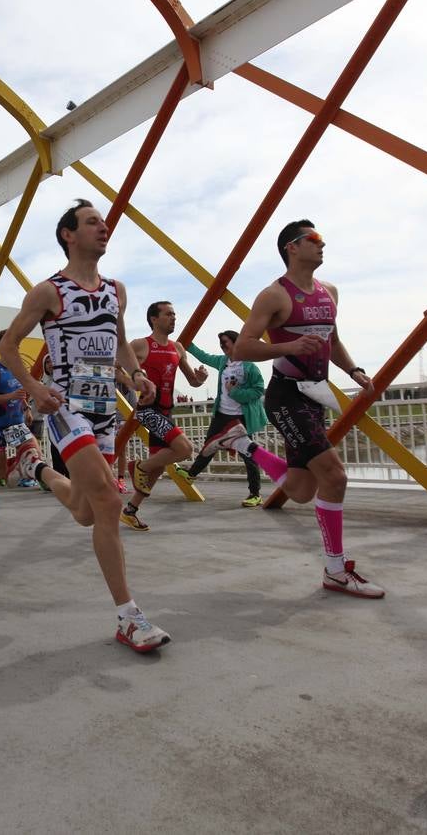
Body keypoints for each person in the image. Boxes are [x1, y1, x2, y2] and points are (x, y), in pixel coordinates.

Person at [0, 199, 170, 652]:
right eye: (93, 222)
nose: (104, 227)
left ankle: (34, 466)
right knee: (111, 503)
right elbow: (10, 347)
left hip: (102, 404)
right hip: (65, 404)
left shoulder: (117, 290)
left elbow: (117, 343)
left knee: (86, 510)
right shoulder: (48, 292)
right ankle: (129, 617)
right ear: (68, 235)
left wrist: (135, 376)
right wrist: (34, 387)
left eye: (106, 222)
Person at [232, 219, 385, 599]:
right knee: (335, 477)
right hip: (285, 396)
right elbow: (243, 347)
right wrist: (286, 347)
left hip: (315, 395)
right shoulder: (274, 296)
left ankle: (242, 445)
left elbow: (332, 341)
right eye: (313, 239)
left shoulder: (329, 291)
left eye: (322, 239)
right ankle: (335, 570)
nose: (322, 244)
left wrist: (354, 370)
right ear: (291, 248)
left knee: (301, 490)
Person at [118, 301, 208, 531]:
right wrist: (134, 382)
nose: (174, 318)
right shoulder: (140, 345)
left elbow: (193, 382)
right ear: (154, 319)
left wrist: (201, 378)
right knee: (185, 448)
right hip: (148, 409)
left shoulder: (178, 348)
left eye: (175, 314)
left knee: (157, 469)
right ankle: (138, 465)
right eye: (168, 314)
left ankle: (130, 511)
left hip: (167, 412)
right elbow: (113, 366)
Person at [183, 330, 268, 507]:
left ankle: (255, 494)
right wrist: (187, 344)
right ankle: (191, 474)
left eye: (225, 342)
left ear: (236, 343)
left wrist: (235, 392)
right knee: (209, 445)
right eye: (220, 343)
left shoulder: (249, 366)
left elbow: (259, 389)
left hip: (240, 417)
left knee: (248, 454)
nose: (222, 346)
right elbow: (204, 357)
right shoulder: (223, 362)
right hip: (221, 414)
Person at [0, 331, 42, 522]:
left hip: (17, 423)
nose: (16, 348)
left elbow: (21, 393)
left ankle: (15, 467)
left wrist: (26, 407)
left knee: (36, 453)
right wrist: (11, 397)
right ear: (2, 347)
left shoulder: (18, 367)